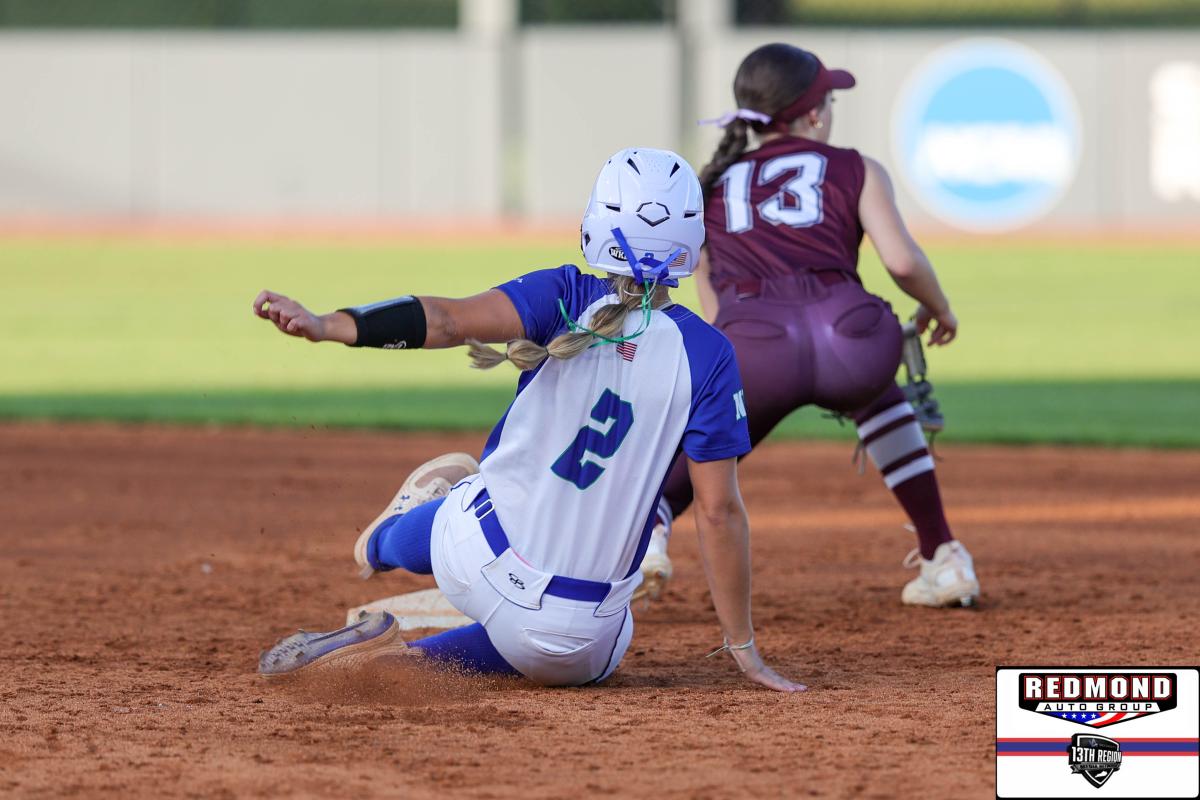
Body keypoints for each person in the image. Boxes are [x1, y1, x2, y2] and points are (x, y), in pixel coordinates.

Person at [253, 148, 803, 692]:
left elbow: (446, 321)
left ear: (597, 223)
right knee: (588, 636)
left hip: (475, 560)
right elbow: (718, 512)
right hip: (582, 642)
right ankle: (386, 665)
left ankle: (385, 543)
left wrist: (327, 325)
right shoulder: (709, 354)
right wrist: (743, 648)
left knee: (473, 496)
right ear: (692, 240)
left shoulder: (566, 295)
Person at [639, 44, 979, 608]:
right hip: (853, 335)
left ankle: (650, 531)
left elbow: (714, 309)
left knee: (713, 434)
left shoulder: (710, 185)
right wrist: (939, 307)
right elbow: (901, 262)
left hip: (756, 346)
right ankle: (943, 556)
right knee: (878, 393)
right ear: (815, 113)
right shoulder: (856, 166)